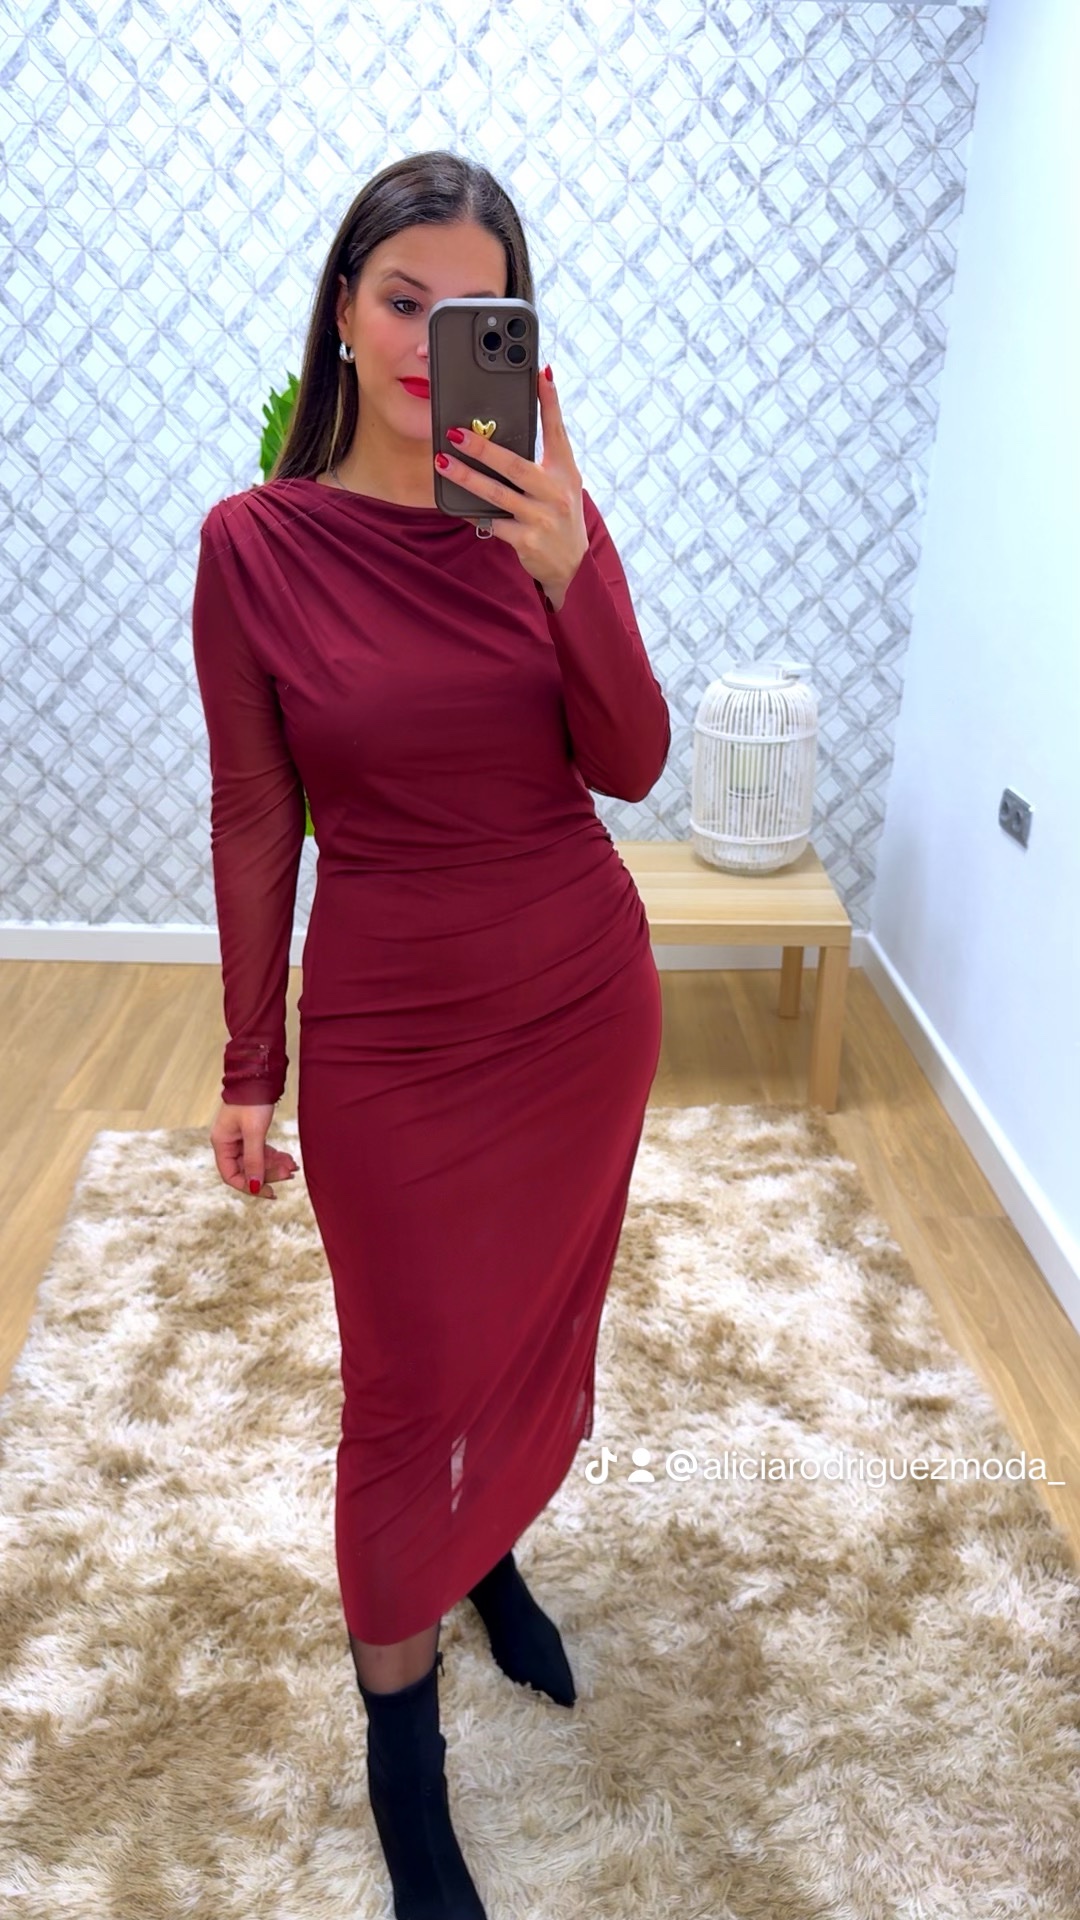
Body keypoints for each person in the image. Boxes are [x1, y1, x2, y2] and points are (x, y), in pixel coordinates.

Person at [191, 149, 670, 1920]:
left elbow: (632, 760)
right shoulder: (255, 546)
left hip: (578, 999)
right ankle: (408, 1769)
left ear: (515, 339)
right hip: (393, 1030)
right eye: (403, 301)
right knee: (405, 1385)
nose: (425, 341)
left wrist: (574, 567)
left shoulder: (541, 518)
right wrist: (250, 1064)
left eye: (472, 312)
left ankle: (494, 1555)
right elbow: (257, 815)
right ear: (343, 308)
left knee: (524, 1328)